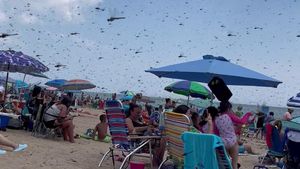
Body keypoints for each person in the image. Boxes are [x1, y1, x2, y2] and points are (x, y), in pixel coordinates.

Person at [215, 101, 239, 169]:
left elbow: (217, 132)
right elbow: (241, 121)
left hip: (223, 142)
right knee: (234, 164)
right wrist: (248, 114)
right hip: (233, 142)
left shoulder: (217, 119)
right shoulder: (230, 116)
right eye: (231, 109)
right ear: (228, 109)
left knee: (226, 163)